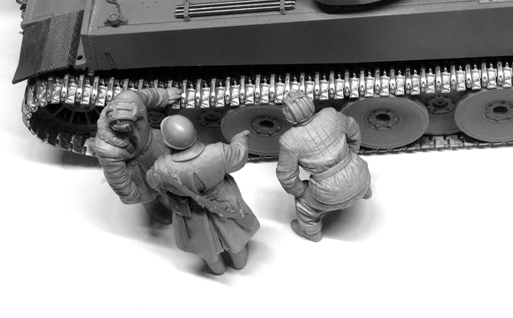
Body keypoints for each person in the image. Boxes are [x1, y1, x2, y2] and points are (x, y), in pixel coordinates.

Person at [146, 115, 260, 274]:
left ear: (167, 142)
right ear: (194, 133)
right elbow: (238, 155)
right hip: (225, 203)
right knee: (235, 237)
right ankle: (240, 264)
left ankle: (218, 271)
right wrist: (239, 138)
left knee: (205, 246)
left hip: (191, 211)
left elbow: (153, 182)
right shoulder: (216, 152)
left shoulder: (162, 168)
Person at [276, 90, 372, 242]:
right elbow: (353, 130)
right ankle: (365, 191)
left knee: (304, 204)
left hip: (329, 192)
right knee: (359, 170)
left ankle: (311, 232)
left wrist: (301, 191)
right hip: (360, 174)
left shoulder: (289, 140)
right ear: (310, 103)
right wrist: (352, 153)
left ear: (288, 115)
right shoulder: (330, 114)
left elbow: (286, 177)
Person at [91, 86, 181, 224]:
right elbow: (117, 178)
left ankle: (178, 192)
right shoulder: (107, 148)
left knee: (176, 169)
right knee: (146, 193)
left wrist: (165, 95)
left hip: (155, 142)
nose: (131, 131)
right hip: (136, 164)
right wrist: (132, 196)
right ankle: (152, 205)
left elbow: (147, 96)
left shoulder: (130, 98)